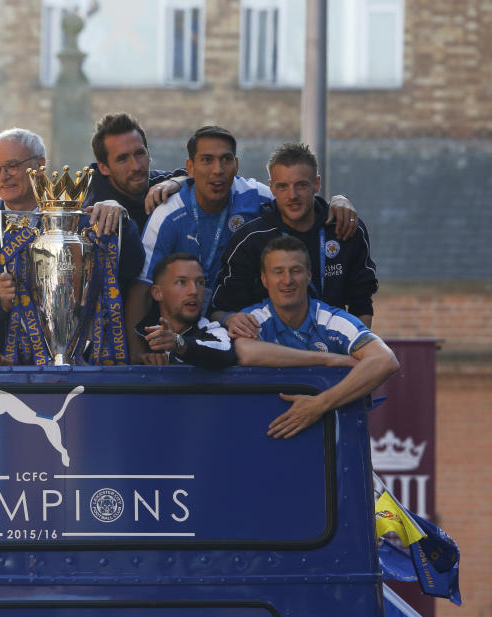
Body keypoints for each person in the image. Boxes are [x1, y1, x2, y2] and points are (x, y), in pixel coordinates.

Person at [127, 125, 358, 360]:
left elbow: (297, 196)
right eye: (207, 160)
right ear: (190, 168)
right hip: (179, 328)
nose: (218, 170)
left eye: (225, 159)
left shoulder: (257, 196)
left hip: (234, 329)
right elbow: (141, 291)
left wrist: (338, 202)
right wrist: (137, 360)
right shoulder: (168, 214)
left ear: (236, 165)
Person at [0, 128, 141, 351]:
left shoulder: (78, 221)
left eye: (12, 166)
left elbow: (132, 269)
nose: (3, 176)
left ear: (40, 165)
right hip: (10, 366)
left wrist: (121, 221)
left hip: (82, 357)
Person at [209, 142, 378, 337]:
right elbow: (220, 310)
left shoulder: (346, 227)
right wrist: (228, 318)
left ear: (317, 184)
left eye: (301, 185)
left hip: (334, 347)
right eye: (282, 186)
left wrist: (355, 346)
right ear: (271, 188)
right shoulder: (251, 239)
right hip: (273, 352)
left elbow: (362, 303)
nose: (292, 195)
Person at [240, 236, 399, 438]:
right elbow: (245, 352)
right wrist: (328, 358)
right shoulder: (254, 319)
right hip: (263, 436)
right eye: (278, 271)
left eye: (295, 271)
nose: (287, 280)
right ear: (264, 279)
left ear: (308, 275)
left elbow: (386, 360)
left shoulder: (331, 320)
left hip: (332, 447)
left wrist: (317, 405)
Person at [134, 252, 359, 372]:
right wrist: (139, 359)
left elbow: (225, 353)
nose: (194, 291)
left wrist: (178, 344)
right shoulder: (133, 335)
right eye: (182, 283)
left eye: (201, 283)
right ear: (157, 293)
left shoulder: (214, 330)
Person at [84, 112, 187, 231]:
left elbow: (194, 177)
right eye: (122, 159)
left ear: (148, 153)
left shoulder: (157, 183)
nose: (136, 167)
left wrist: (175, 182)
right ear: (104, 168)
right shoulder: (95, 208)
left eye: (139, 153)